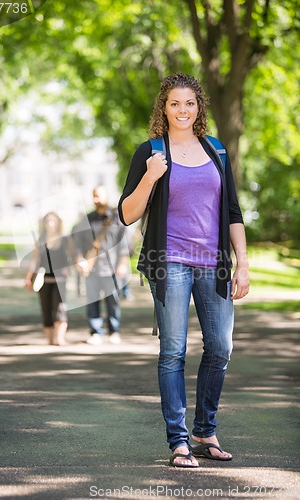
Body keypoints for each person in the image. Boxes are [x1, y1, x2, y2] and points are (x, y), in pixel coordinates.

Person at [118, 73, 249, 468]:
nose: (182, 110)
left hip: (214, 263)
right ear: (164, 107)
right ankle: (178, 441)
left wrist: (242, 263)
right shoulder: (151, 151)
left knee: (221, 348)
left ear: (199, 107)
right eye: (174, 103)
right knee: (173, 351)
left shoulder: (216, 151)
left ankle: (204, 429)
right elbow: (127, 213)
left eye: (189, 103)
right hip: (169, 260)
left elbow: (232, 212)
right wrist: (150, 177)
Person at [71, 185, 129, 345]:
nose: (97, 199)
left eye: (99, 196)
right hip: (91, 268)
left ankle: (114, 331)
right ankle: (96, 331)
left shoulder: (116, 219)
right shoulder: (87, 219)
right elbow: (76, 243)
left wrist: (122, 264)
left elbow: (123, 244)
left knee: (113, 301)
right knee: (92, 301)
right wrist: (78, 258)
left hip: (111, 267)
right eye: (94, 196)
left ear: (107, 196)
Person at [25, 212, 74, 346]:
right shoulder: (40, 240)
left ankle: (60, 338)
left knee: (60, 309)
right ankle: (50, 339)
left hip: (61, 280)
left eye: (53, 221)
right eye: (48, 221)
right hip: (43, 280)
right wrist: (28, 278)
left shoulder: (65, 240)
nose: (51, 224)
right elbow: (34, 259)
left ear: (59, 223)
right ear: (44, 224)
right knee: (46, 308)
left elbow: (73, 256)